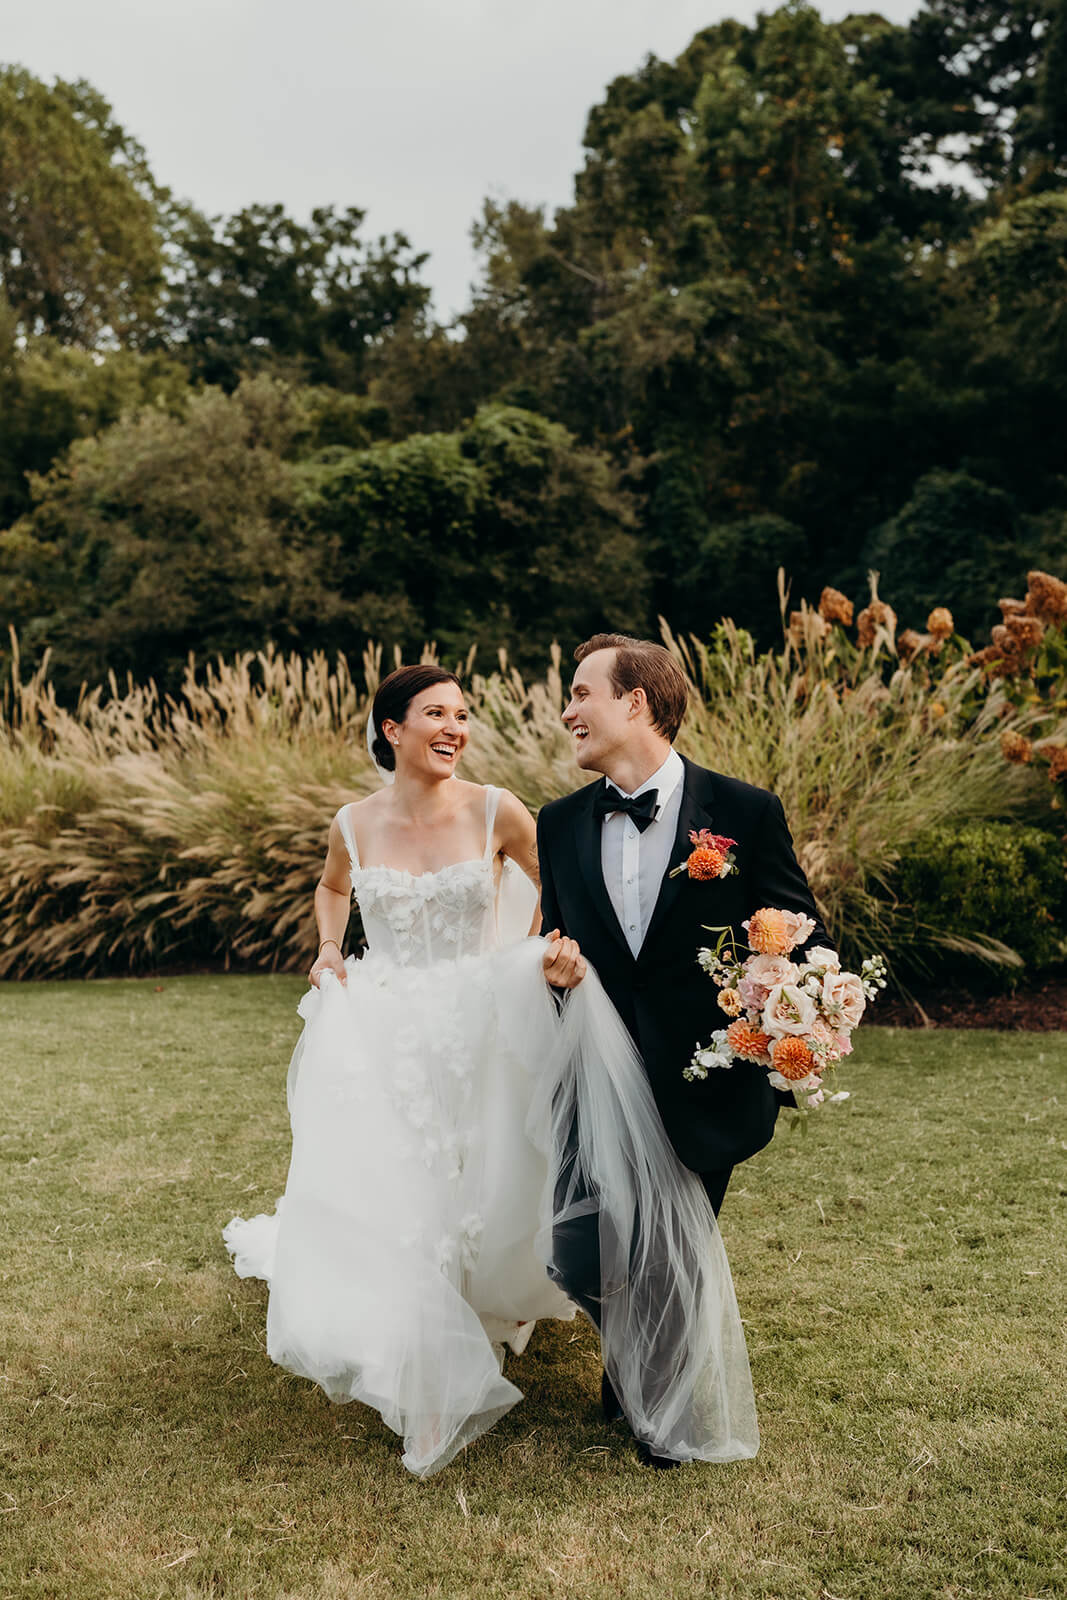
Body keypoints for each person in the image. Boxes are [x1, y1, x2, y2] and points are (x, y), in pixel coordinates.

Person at [223, 664, 585, 1477]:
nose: (454, 728)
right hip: (388, 1022)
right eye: (435, 714)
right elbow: (330, 888)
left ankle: (485, 1300)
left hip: (483, 1011)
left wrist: (538, 946)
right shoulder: (352, 822)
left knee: (484, 1165)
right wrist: (327, 950)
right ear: (392, 730)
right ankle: (427, 1366)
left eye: (462, 715)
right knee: (407, 1180)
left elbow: (555, 885)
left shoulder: (497, 808)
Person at [536, 632, 830, 1467]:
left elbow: (801, 934)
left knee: (669, 1249)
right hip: (593, 1073)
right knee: (577, 1250)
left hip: (708, 1073)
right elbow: (557, 943)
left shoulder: (743, 812)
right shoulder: (556, 825)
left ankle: (654, 1409)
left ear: (635, 702)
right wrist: (553, 972)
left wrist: (793, 1024)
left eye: (581, 692)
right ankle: (628, 1353)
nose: (568, 711)